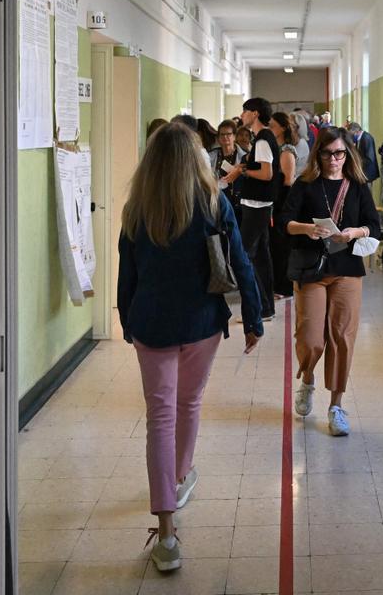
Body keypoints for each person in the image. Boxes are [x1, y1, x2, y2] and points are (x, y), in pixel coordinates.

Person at [117, 122, 263, 572]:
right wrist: (253, 316)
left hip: (152, 325)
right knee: (189, 403)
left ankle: (166, 533)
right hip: (201, 322)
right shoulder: (213, 204)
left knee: (160, 417)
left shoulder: (137, 210)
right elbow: (240, 261)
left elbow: (128, 277)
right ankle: (180, 477)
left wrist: (128, 321)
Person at [282, 127, 380, 435]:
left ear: (347, 154)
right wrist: (307, 229)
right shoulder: (306, 184)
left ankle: (336, 405)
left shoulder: (359, 187)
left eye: (339, 153)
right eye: (327, 154)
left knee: (342, 336)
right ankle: (308, 378)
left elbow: (373, 226)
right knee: (310, 336)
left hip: (347, 267)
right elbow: (285, 221)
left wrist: (354, 232)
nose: (334, 160)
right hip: (312, 268)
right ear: (318, 154)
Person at [238, 97, 282, 321]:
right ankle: (266, 308)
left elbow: (267, 174)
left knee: (245, 255)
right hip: (258, 205)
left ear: (254, 114)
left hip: (257, 206)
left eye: (245, 111)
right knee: (262, 258)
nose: (242, 115)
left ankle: (257, 308)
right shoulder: (262, 139)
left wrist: (244, 172)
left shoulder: (263, 140)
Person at [269, 112, 300, 298]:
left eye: (273, 126)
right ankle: (277, 284)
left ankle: (284, 287)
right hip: (276, 200)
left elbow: (287, 180)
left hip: (283, 202)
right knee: (275, 246)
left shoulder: (286, 150)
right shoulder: (276, 147)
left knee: (281, 246)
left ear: (282, 128)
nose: (270, 129)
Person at [209, 119, 245, 215]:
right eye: (222, 134)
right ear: (218, 138)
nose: (225, 137)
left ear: (234, 136)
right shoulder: (211, 156)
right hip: (217, 201)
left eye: (228, 134)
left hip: (238, 203)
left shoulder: (244, 156)